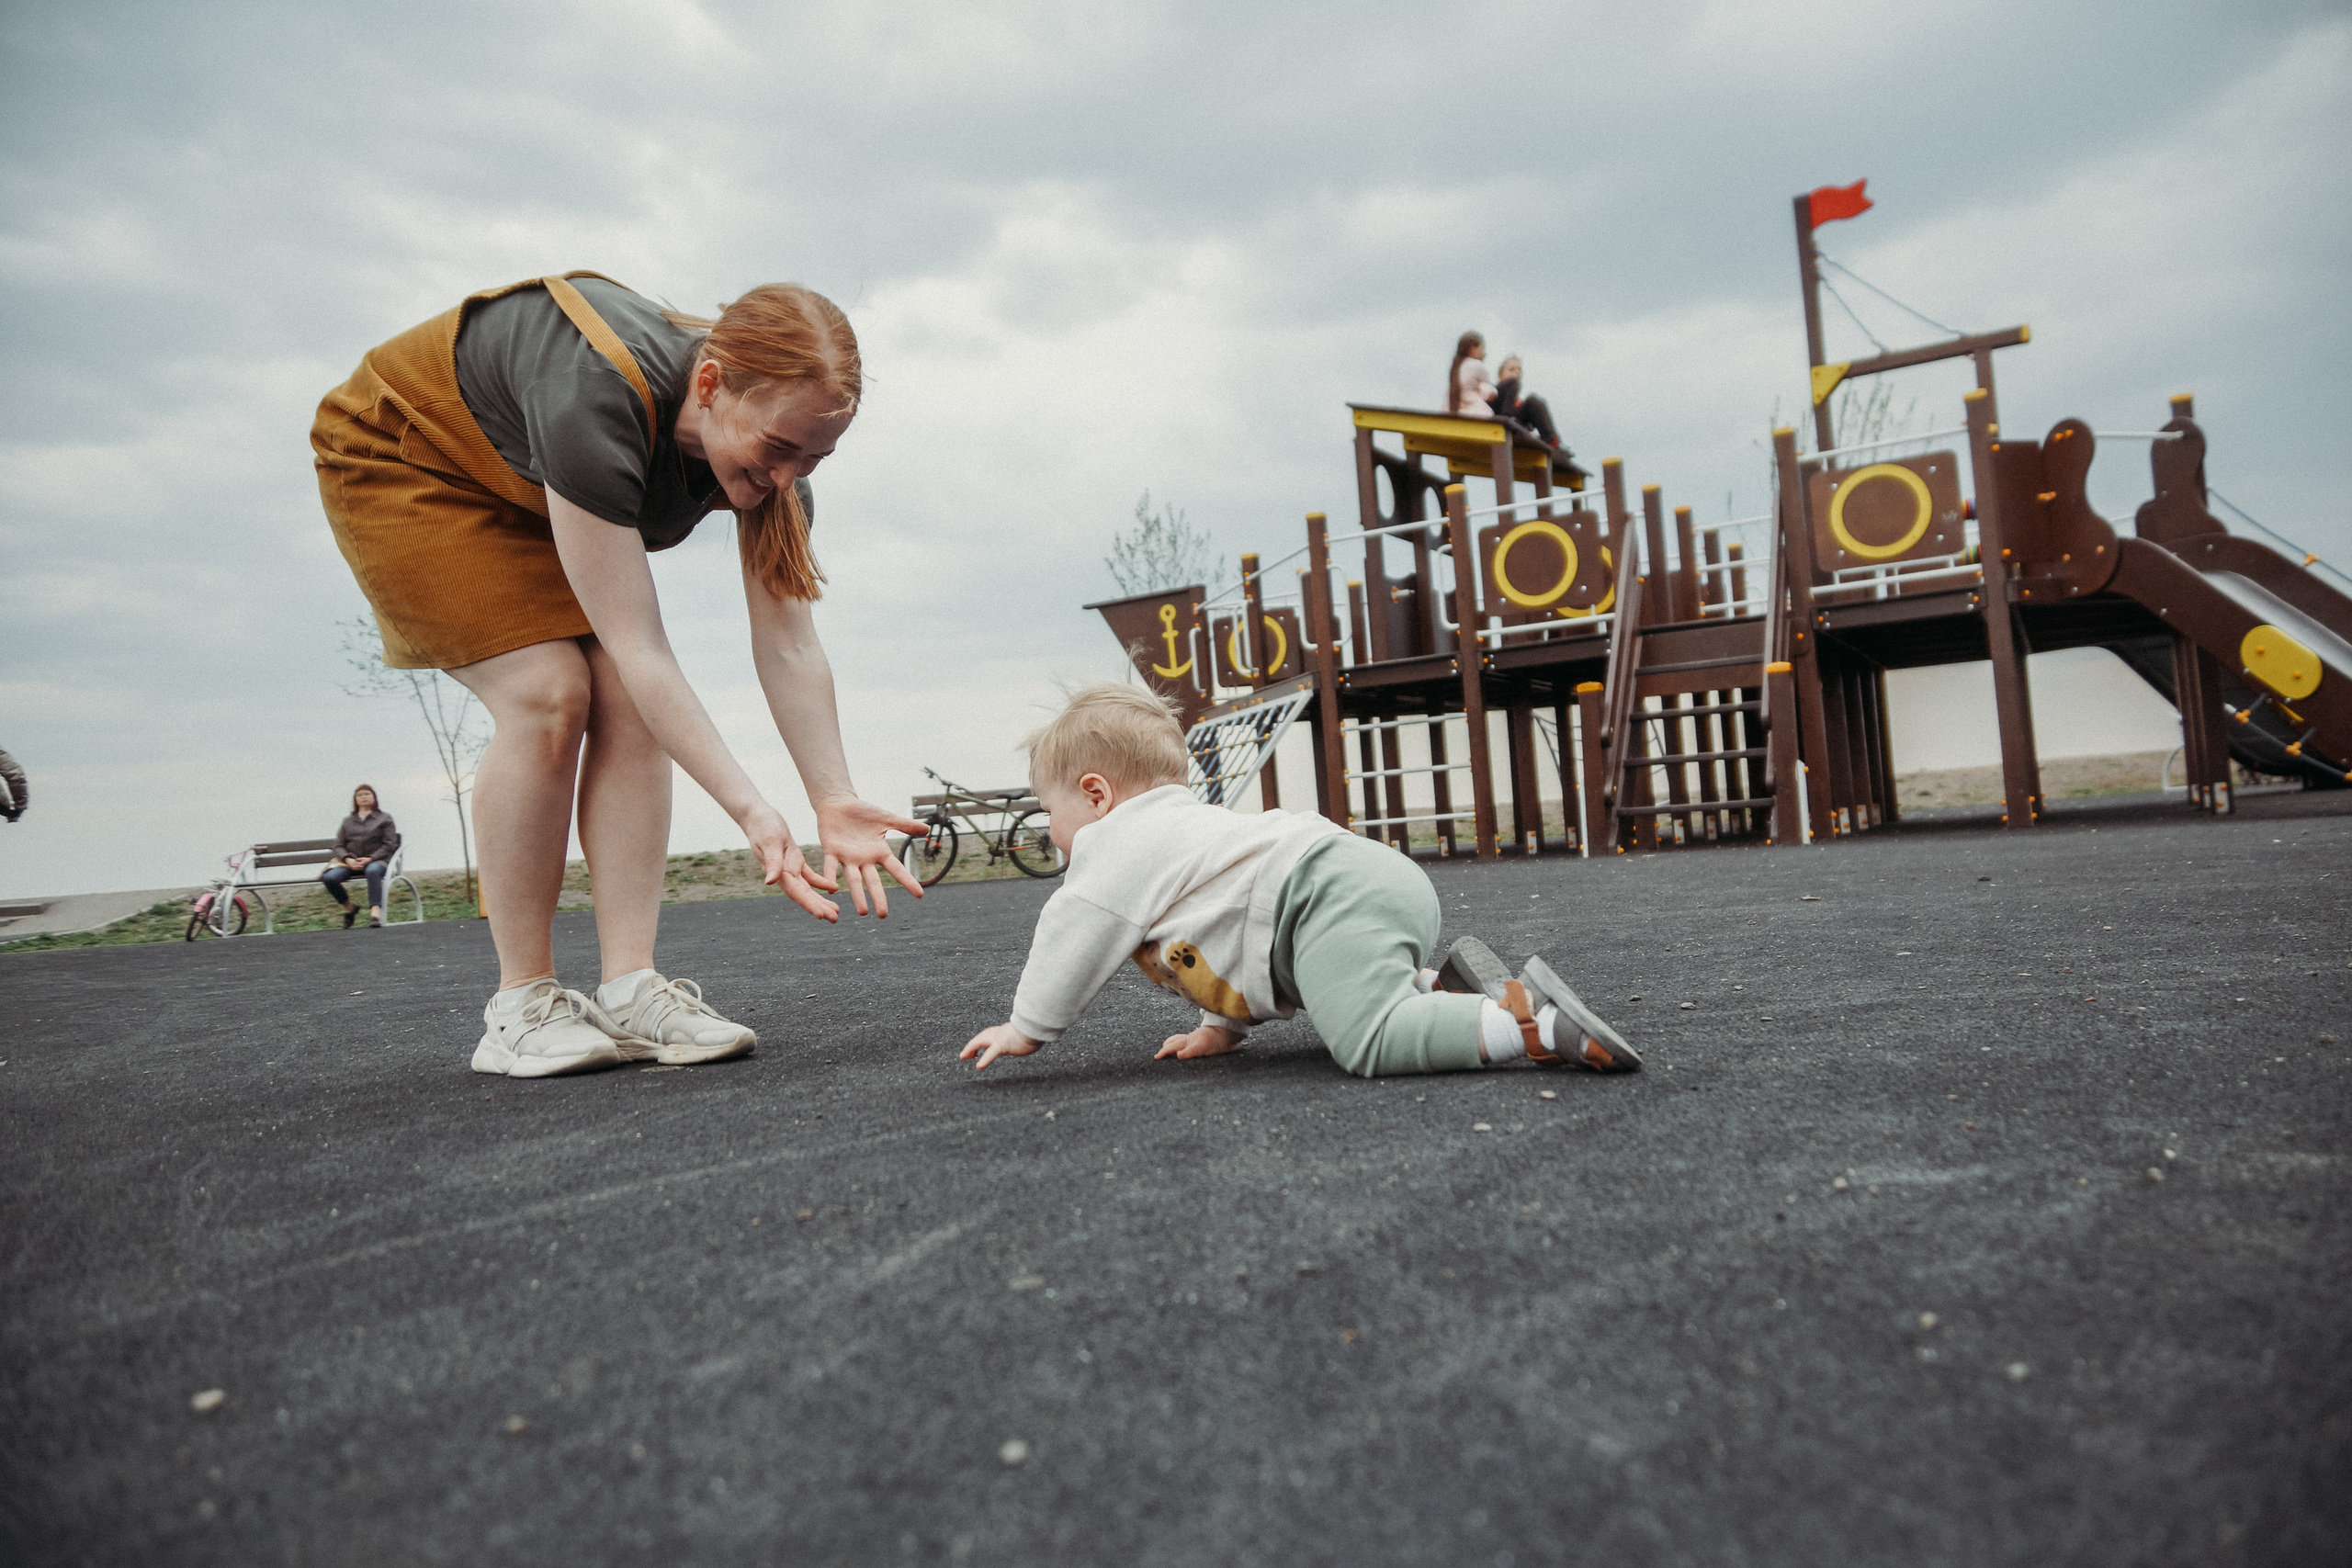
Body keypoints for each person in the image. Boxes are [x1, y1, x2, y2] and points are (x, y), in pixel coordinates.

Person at [312, 272, 927, 1079]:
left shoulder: (776, 461)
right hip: (403, 456)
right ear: (711, 384)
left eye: (815, 456)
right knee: (550, 691)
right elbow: (640, 645)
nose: (790, 476)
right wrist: (751, 808)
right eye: (780, 449)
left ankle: (632, 988)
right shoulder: (593, 395)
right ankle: (520, 1004)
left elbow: (789, 645)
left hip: (526, 477)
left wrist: (830, 793)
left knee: (632, 709)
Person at [958, 684, 1640, 1078]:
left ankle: (1529, 1026)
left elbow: (1071, 927)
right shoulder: (1181, 834)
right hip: (1362, 879)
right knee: (1341, 983)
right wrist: (1220, 1028)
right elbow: (1223, 929)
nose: (1051, 830)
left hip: (1326, 895)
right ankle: (1438, 989)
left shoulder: (1114, 847)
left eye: (1050, 811)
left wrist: (1028, 1026)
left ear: (1097, 794)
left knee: (1368, 1040)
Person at [322, 784, 401, 929]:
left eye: (367, 794)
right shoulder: (348, 822)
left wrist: (370, 859)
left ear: (374, 798)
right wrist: (347, 859)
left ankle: (375, 914)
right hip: (351, 863)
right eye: (360, 795)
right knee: (329, 877)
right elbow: (338, 845)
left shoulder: (384, 818)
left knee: (372, 871)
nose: (364, 797)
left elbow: (389, 844)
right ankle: (350, 908)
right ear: (355, 800)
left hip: (376, 861)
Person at [1492, 354, 1566, 452]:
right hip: (1501, 425)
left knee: (1535, 402)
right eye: (1512, 369)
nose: (1517, 372)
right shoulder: (1494, 393)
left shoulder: (1518, 403)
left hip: (1518, 427)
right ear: (1500, 375)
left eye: (1519, 369)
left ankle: (1553, 441)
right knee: (1530, 400)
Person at [1446, 331, 1496, 416]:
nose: (1484, 353)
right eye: (1483, 348)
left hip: (1453, 415)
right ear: (1474, 349)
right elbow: (1488, 392)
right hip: (1476, 413)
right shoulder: (1477, 365)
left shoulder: (1456, 368)